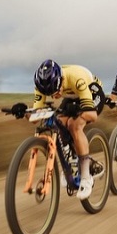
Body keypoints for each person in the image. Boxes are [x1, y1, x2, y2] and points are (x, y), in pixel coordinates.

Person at [10, 60, 104, 200]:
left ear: (62, 80)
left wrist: (78, 110)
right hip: (72, 95)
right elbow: (36, 116)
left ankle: (86, 177)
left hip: (91, 92)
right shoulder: (41, 86)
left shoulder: (77, 78)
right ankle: (73, 160)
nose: (54, 97)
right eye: (50, 94)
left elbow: (92, 115)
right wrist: (23, 112)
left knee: (74, 124)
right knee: (59, 121)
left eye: (56, 92)